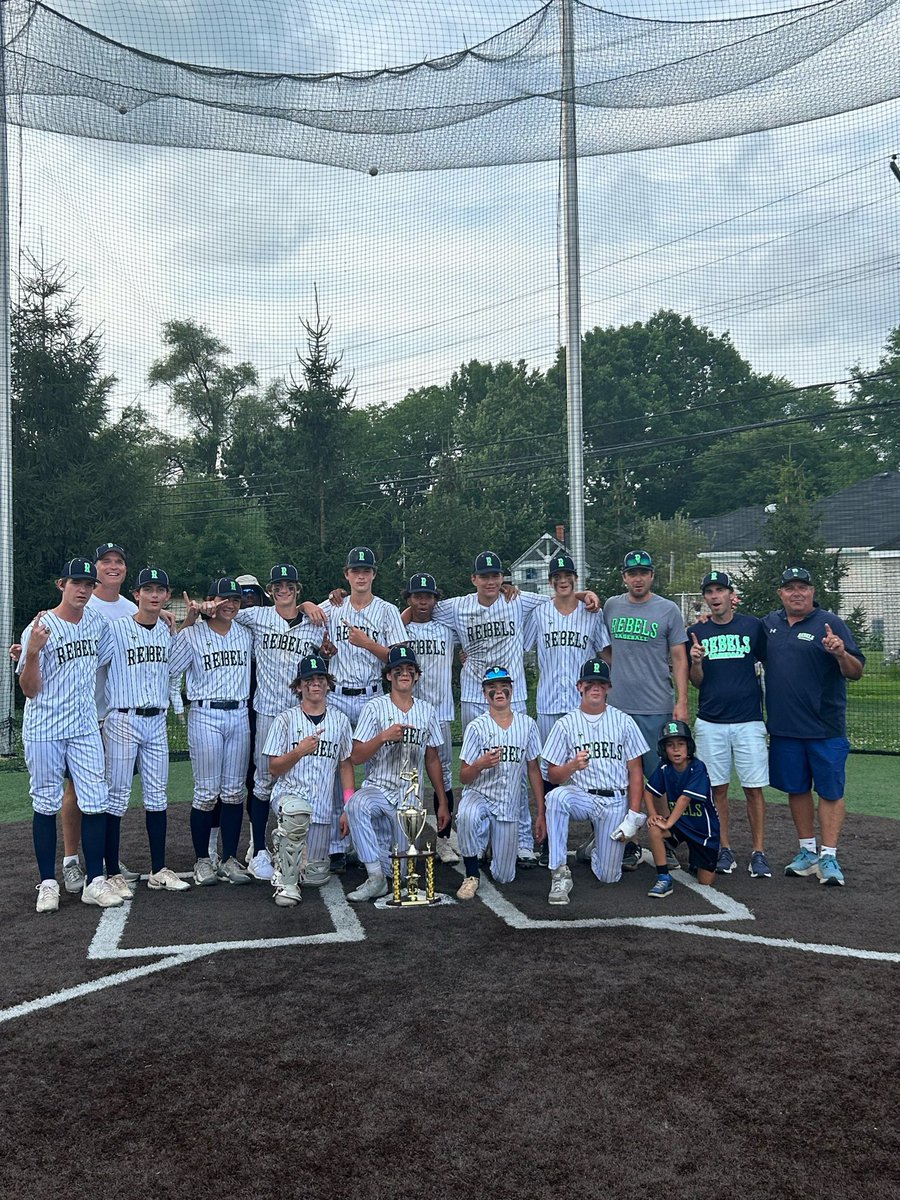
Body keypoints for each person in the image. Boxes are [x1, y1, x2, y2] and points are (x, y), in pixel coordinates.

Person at [424, 550, 600, 868]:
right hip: (475, 698)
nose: (491, 581)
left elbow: (559, 599)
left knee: (517, 772)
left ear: (503, 578)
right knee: (476, 768)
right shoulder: (457, 606)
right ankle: (477, 839)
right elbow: (420, 609)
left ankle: (520, 842)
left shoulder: (518, 600)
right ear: (474, 579)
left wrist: (585, 593)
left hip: (513, 696)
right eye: (485, 576)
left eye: (496, 575)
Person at [19, 558, 123, 912]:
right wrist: (31, 652)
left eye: (88, 584)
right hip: (44, 728)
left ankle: (95, 880)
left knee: (96, 799)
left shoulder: (96, 622)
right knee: (46, 802)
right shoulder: (40, 626)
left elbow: (112, 656)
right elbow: (29, 690)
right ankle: (48, 882)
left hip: (83, 727)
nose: (82, 589)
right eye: (76, 583)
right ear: (61, 585)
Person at [763, 567, 864, 887]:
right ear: (780, 593)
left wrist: (840, 653)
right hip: (785, 729)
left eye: (803, 587)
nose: (797, 592)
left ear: (812, 591)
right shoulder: (769, 625)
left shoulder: (831, 623)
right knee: (797, 789)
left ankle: (829, 856)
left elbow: (856, 671)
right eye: (790, 587)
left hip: (825, 729)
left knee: (831, 792)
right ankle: (807, 851)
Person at [233, 564, 327, 881]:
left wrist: (308, 608)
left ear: (297, 588)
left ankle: (297, 847)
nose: (283, 589)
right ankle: (258, 850)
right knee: (262, 781)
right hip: (268, 711)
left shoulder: (315, 624)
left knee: (301, 779)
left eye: (289, 585)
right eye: (278, 585)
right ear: (270, 590)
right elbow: (224, 612)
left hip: (300, 714)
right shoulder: (257, 616)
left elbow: (327, 648)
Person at [98, 567, 189, 892]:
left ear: (167, 596)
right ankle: (112, 872)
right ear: (136, 594)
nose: (153, 595)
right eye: (147, 589)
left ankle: (158, 869)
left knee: (157, 795)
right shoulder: (116, 628)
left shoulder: (168, 631)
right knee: (117, 795)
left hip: (155, 721)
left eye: (159, 590)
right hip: (122, 719)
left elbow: (176, 668)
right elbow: (89, 663)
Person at [598, 549, 689, 871]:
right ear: (624, 576)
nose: (638, 578)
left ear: (652, 576)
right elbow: (601, 642)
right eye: (632, 573)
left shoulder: (667, 609)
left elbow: (679, 656)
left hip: (655, 706)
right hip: (619, 707)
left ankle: (663, 838)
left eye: (644, 573)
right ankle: (630, 844)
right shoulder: (611, 605)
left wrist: (681, 701)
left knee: (656, 779)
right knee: (622, 777)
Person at [318, 546, 407, 872]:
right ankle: (337, 845)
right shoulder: (331, 607)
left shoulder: (386, 611)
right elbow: (305, 618)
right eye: (355, 570)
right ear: (346, 574)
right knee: (334, 767)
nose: (360, 575)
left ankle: (377, 845)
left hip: (372, 695)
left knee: (378, 773)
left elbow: (401, 659)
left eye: (366, 570)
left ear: (373, 575)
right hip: (338, 693)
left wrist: (368, 643)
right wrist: (325, 652)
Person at [343, 645, 450, 902]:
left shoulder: (427, 711)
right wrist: (382, 737)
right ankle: (374, 878)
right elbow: (356, 756)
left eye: (409, 670)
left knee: (401, 874)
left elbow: (432, 759)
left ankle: (381, 862)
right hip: (378, 788)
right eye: (398, 670)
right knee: (356, 805)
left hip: (409, 798)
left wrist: (442, 801)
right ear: (389, 675)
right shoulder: (374, 708)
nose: (404, 674)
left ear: (416, 676)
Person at [524, 551, 609, 863]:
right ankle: (549, 836)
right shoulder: (539, 613)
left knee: (589, 770)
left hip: (582, 708)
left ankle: (598, 835)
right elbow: (516, 645)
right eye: (557, 577)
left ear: (575, 580)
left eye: (568, 577)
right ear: (550, 582)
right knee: (550, 772)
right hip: (548, 704)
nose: (563, 581)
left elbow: (606, 653)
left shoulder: (592, 613)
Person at [541, 657, 648, 905]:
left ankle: (594, 849)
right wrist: (571, 766)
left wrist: (633, 815)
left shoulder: (623, 721)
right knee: (556, 797)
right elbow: (552, 775)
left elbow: (635, 770)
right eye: (590, 683)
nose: (595, 688)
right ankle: (559, 872)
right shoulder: (566, 724)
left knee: (609, 877)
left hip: (615, 800)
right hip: (583, 796)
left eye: (601, 683)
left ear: (608, 687)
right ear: (579, 686)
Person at [686, 570, 770, 878]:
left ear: (730, 595)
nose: (715, 596)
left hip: (748, 721)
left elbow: (769, 659)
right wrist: (695, 661)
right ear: (705, 598)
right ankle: (724, 849)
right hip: (711, 721)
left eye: (720, 590)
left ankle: (759, 852)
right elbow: (697, 682)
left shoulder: (752, 626)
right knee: (717, 789)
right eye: (709, 592)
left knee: (753, 789)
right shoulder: (698, 632)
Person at [174, 578, 253, 887]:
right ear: (210, 601)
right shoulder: (192, 634)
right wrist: (192, 617)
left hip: (239, 713)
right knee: (207, 793)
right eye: (223, 599)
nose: (230, 604)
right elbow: (169, 667)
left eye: (235, 599)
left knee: (234, 792)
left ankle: (230, 858)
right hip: (205, 713)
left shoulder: (245, 634)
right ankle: (203, 861)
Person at [263, 654, 354, 906]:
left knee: (316, 876)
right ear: (299, 686)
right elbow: (273, 768)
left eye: (320, 679)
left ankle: (290, 856)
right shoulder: (285, 720)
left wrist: (347, 806)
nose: (315, 684)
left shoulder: (340, 721)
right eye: (309, 680)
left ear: (328, 684)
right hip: (289, 797)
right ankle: (285, 882)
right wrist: (299, 751)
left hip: (322, 809)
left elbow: (345, 765)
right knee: (296, 812)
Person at [454, 667, 544, 900]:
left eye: (503, 686)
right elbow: (463, 776)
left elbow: (533, 769)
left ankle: (492, 844)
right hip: (479, 794)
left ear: (512, 690)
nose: (498, 691)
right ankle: (472, 874)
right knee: (467, 815)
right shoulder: (476, 727)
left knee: (504, 876)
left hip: (508, 804)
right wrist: (480, 764)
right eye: (491, 687)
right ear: (485, 694)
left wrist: (541, 812)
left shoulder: (527, 725)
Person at [402, 572, 459, 864]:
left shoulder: (447, 629)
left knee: (444, 777)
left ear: (436, 599)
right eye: (417, 596)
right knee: (408, 776)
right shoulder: (402, 631)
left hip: (441, 712)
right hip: (410, 712)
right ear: (409, 599)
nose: (422, 601)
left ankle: (445, 837)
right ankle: (403, 837)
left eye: (428, 596)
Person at [644, 720, 720, 898]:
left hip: (703, 830)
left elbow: (685, 799)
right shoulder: (664, 768)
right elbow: (648, 792)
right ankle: (663, 878)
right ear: (664, 749)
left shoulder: (698, 767)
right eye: (670, 745)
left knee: (705, 880)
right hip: (680, 824)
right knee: (655, 829)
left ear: (689, 747)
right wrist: (653, 815)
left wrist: (668, 821)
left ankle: (698, 860)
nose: (676, 749)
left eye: (681, 744)